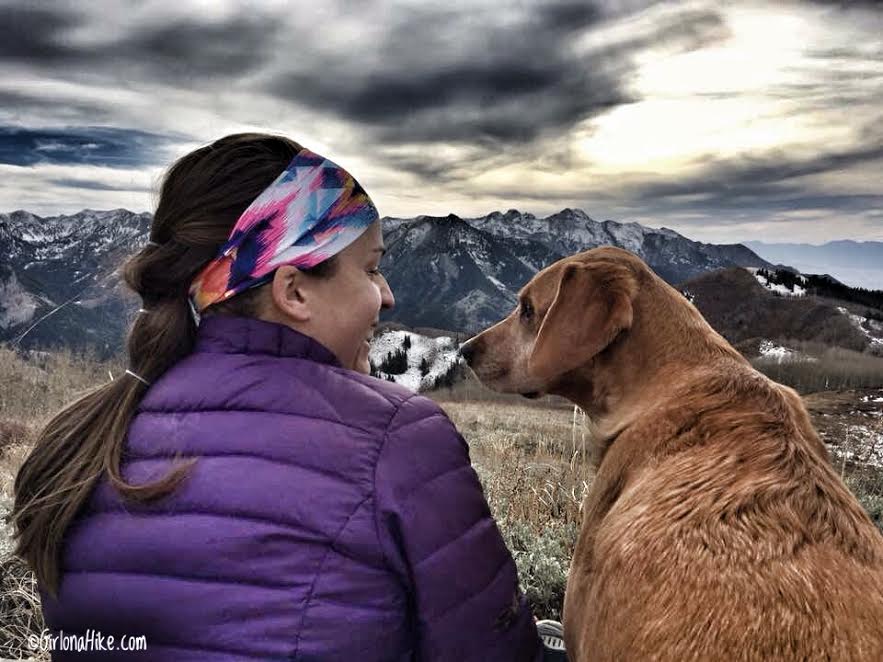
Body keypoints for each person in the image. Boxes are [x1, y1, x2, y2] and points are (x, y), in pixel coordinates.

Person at [11, 133, 567, 660]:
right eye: (371, 269)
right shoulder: (397, 441)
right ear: (293, 291)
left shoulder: (81, 448)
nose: (388, 296)